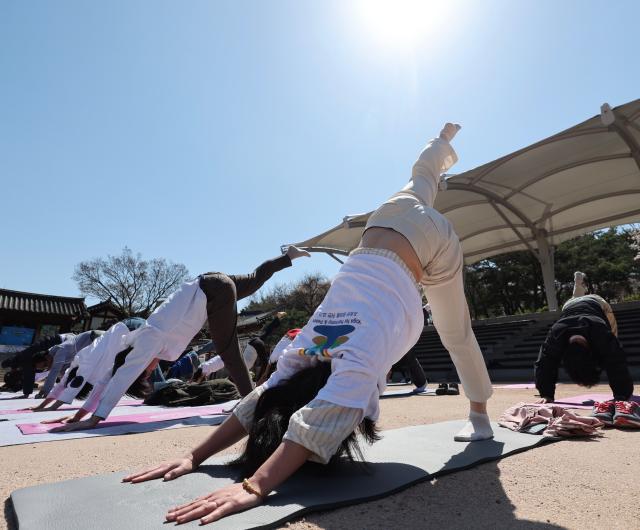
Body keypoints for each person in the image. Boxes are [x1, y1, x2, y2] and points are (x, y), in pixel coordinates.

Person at [123, 124, 495, 526]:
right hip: (381, 228)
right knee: (422, 179)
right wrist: (194, 456)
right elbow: (266, 401)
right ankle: (441, 140)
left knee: (456, 330)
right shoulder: (304, 352)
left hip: (427, 246)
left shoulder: (351, 364)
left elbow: (308, 421)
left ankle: (479, 416)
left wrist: (255, 485)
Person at [48, 247, 310, 432]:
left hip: (212, 292)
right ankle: (288, 255)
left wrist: (96, 418)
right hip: (211, 281)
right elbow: (110, 375)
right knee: (253, 281)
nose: (151, 370)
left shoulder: (147, 341)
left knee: (229, 352)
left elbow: (121, 375)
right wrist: (80, 414)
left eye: (146, 373)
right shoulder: (145, 338)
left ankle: (252, 404)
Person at [534, 272, 637, 427]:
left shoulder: (598, 333)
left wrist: (621, 395)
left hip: (595, 306)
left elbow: (616, 361)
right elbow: (544, 364)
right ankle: (578, 282)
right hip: (573, 305)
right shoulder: (557, 334)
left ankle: (578, 283)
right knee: (611, 348)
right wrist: (546, 394)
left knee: (613, 342)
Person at [29, 317, 147, 414]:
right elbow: (62, 385)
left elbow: (71, 386)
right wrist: (43, 406)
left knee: (147, 364)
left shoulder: (85, 366)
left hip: (129, 329)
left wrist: (53, 407)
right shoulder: (82, 364)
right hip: (127, 330)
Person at [1, 330, 104, 398]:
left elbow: (53, 372)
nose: (45, 368)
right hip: (86, 344)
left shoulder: (59, 350)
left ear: (44, 359)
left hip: (91, 338)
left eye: (43, 366)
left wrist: (44, 391)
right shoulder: (54, 356)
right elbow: (62, 373)